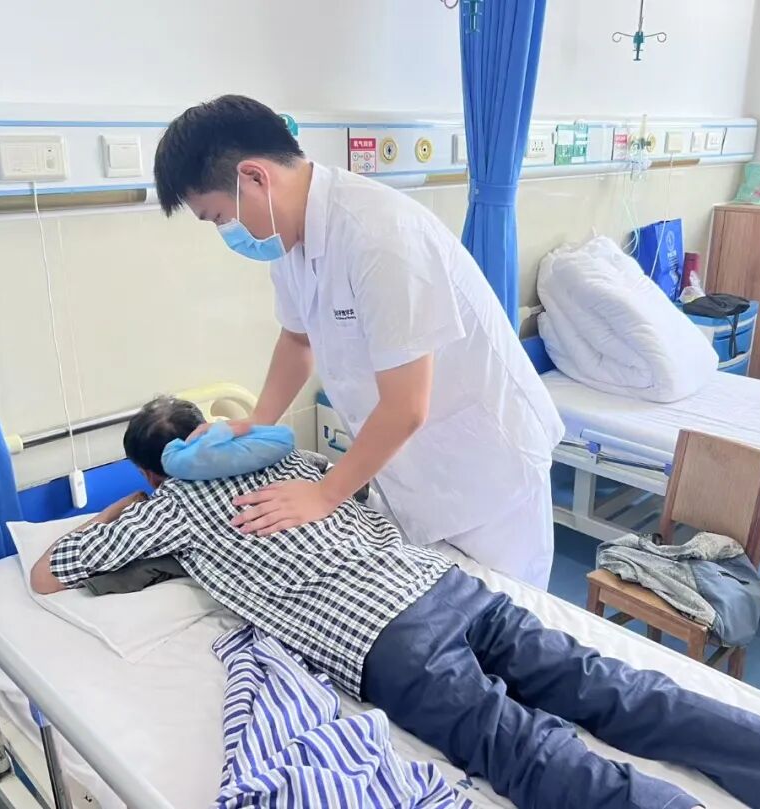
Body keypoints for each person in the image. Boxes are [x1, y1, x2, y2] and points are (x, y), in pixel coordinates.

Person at [32, 398, 760, 809]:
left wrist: (125, 508)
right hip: (446, 586)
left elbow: (46, 569)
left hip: (387, 640)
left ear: (153, 470)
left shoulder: (167, 511)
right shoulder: (296, 460)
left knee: (528, 750)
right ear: (216, 431)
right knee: (622, 691)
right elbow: (365, 507)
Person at [152, 95, 564, 588]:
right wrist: (257, 421)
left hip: (487, 475)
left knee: (505, 618)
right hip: (413, 469)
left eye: (219, 217)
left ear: (255, 178)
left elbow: (406, 406)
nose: (226, 232)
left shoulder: (380, 235)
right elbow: (297, 339)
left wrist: (325, 494)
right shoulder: (289, 240)